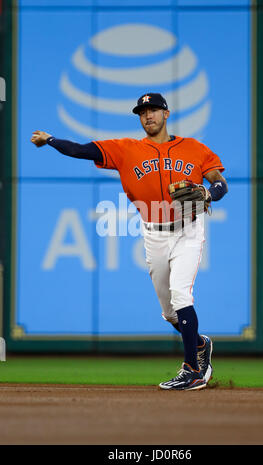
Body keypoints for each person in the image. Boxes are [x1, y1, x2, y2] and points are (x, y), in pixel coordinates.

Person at [31, 92, 228, 391]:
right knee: (169, 311)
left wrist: (209, 193)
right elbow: (83, 150)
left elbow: (219, 182)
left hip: (188, 229)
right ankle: (200, 344)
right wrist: (52, 140)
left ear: (166, 114)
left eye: (153, 110)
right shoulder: (127, 149)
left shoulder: (194, 148)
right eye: (142, 112)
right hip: (154, 233)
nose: (148, 116)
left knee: (181, 295)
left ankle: (193, 369)